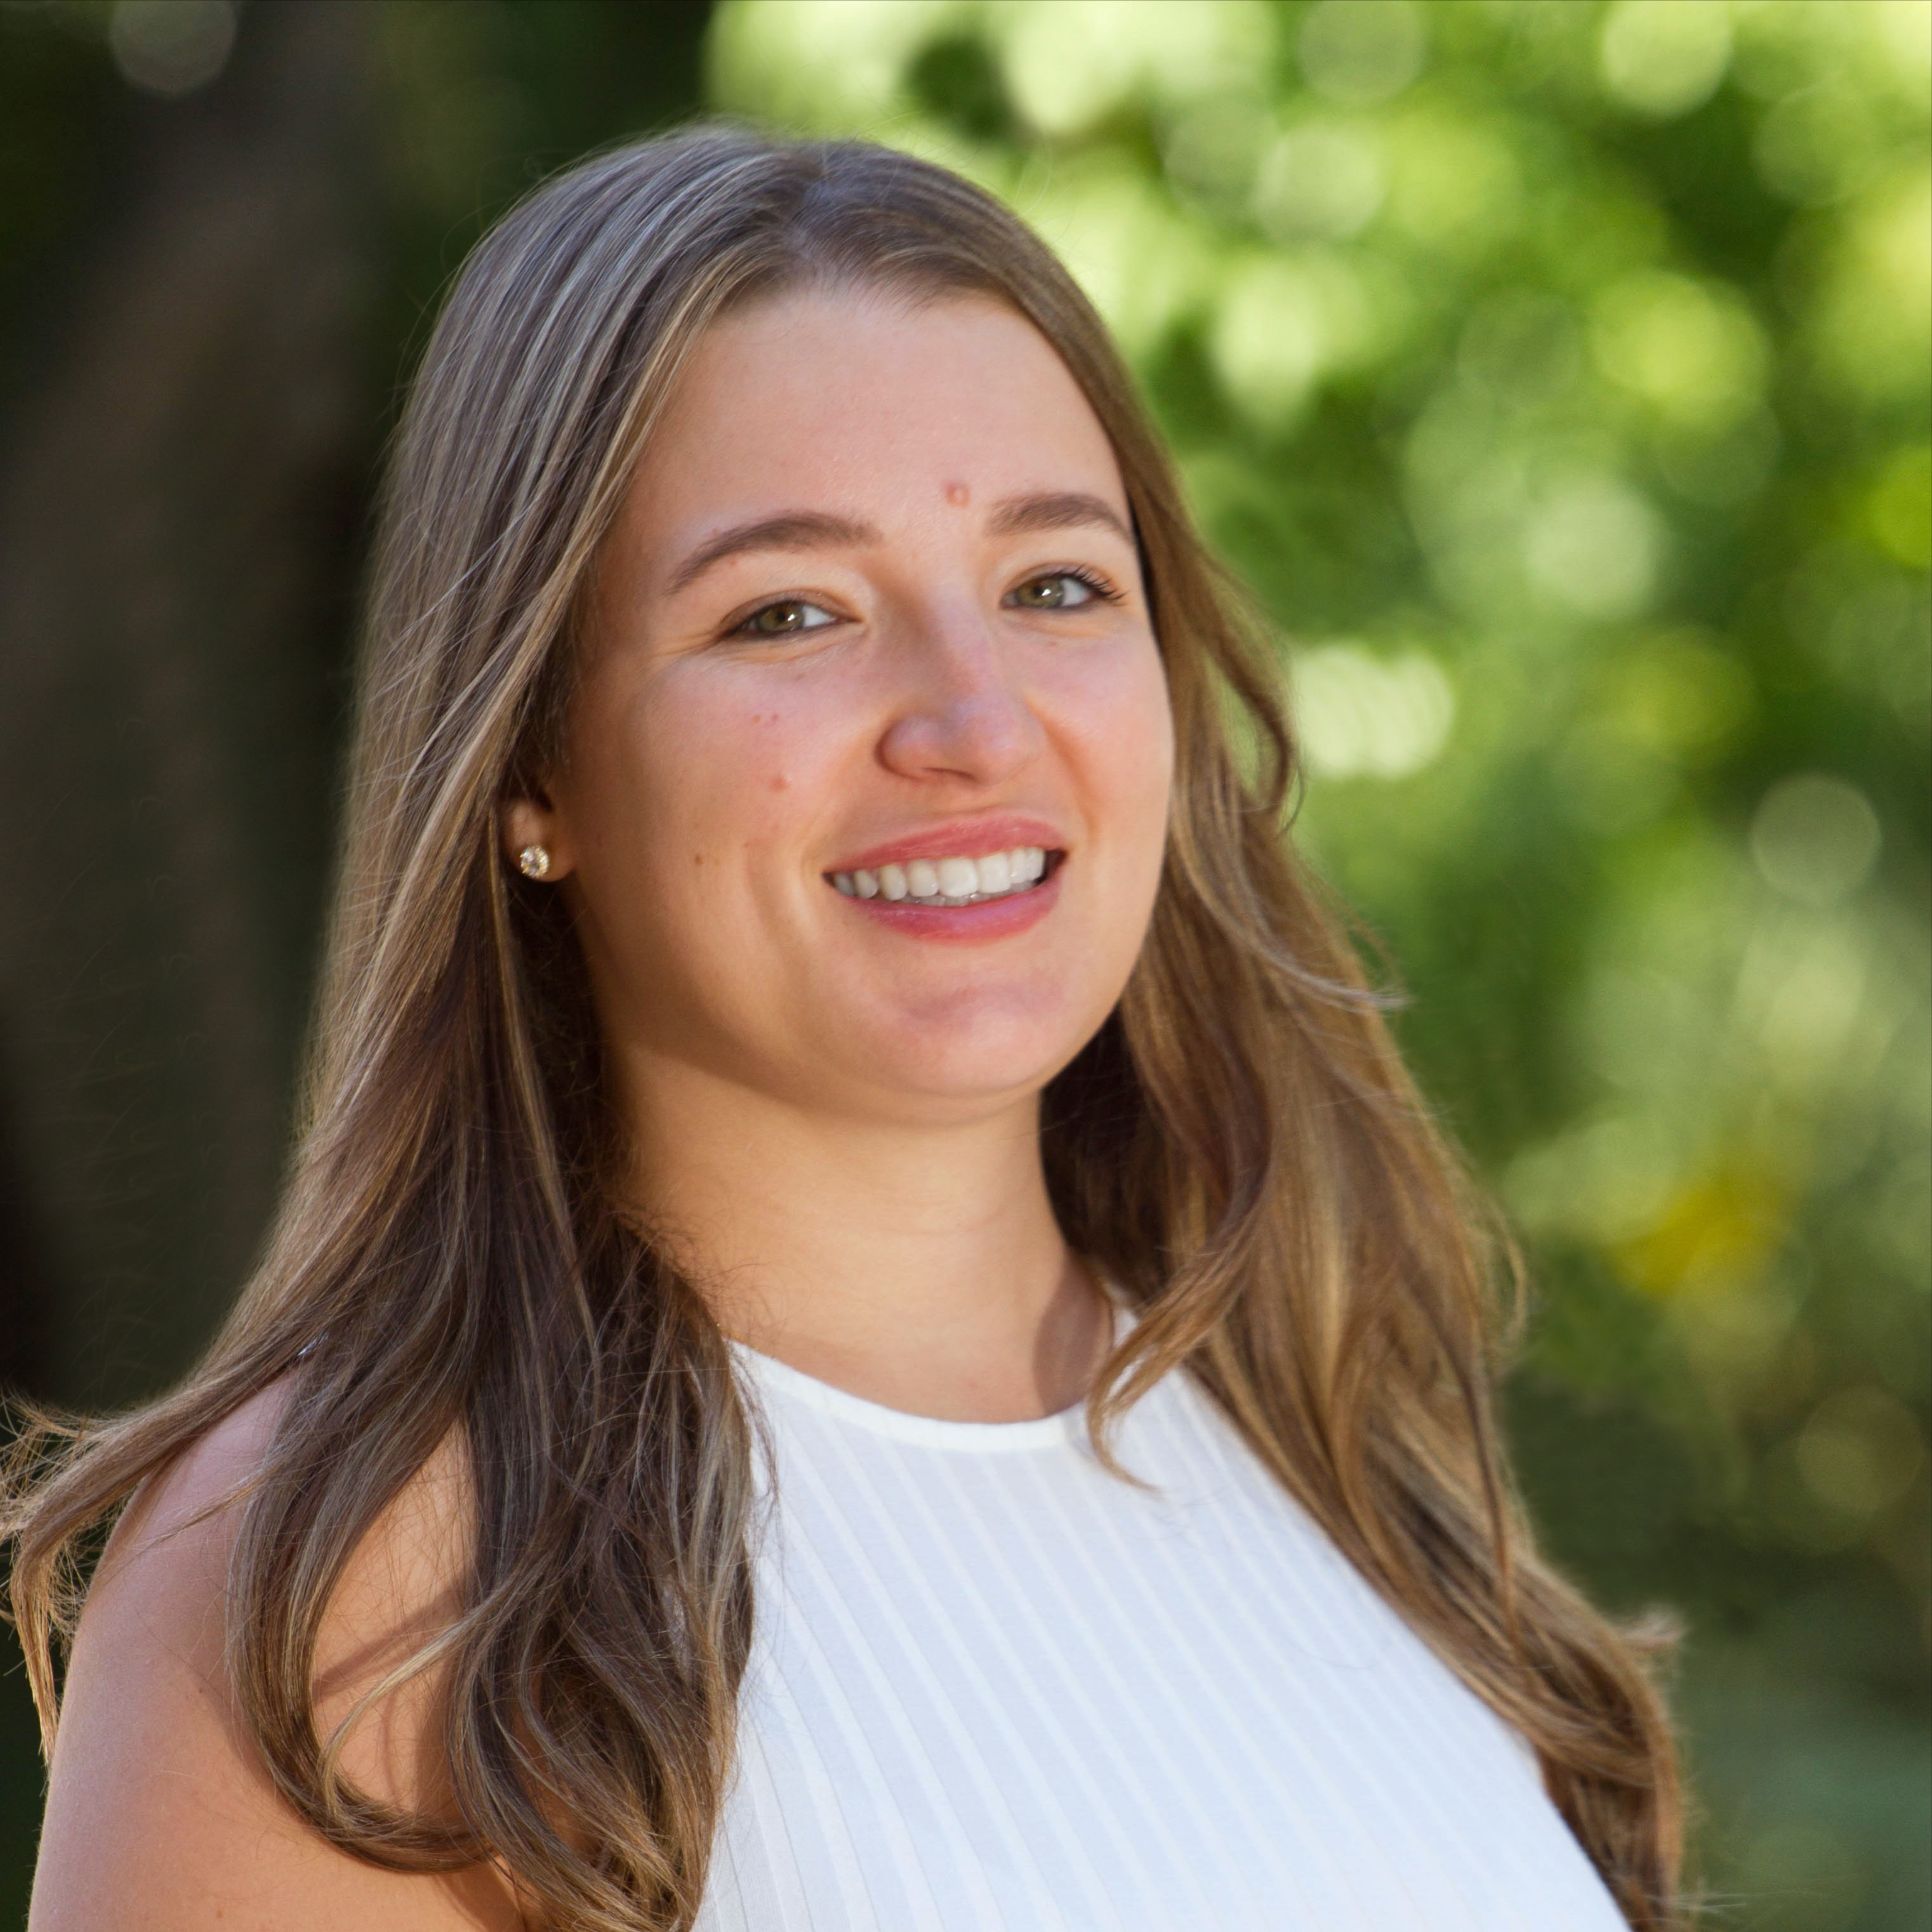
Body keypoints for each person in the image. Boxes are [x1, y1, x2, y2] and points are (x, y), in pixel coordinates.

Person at [4, 128, 1682, 1932]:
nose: (972, 720)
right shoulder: (358, 1579)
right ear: (530, 766)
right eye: (787, 611)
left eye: (1054, 587)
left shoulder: (1352, 1452)